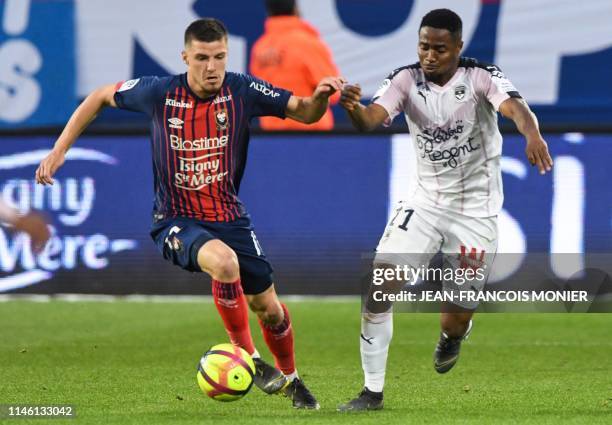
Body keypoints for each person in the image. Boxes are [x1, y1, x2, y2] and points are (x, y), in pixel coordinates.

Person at [35, 18, 345, 410]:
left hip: (230, 217)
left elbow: (304, 112)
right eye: (201, 58)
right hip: (175, 220)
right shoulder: (159, 93)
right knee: (224, 262)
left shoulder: (242, 89)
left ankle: (292, 379)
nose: (211, 67)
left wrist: (318, 97)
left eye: (219, 57)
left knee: (270, 309)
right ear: (185, 57)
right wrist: (60, 150)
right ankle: (247, 356)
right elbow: (98, 96)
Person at [337, 9, 553, 411]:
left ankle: (455, 336)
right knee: (380, 285)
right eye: (423, 46)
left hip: (476, 212)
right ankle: (371, 392)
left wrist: (533, 135)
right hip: (425, 203)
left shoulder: (481, 76)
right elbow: (370, 120)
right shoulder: (405, 80)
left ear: (458, 48)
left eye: (439, 48)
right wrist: (352, 106)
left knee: (453, 318)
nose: (429, 55)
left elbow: (516, 109)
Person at [250, 0, 340, 130]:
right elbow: (333, 92)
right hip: (312, 132)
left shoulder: (260, 47)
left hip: (271, 135)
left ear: (268, 12)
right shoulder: (307, 43)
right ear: (296, 9)